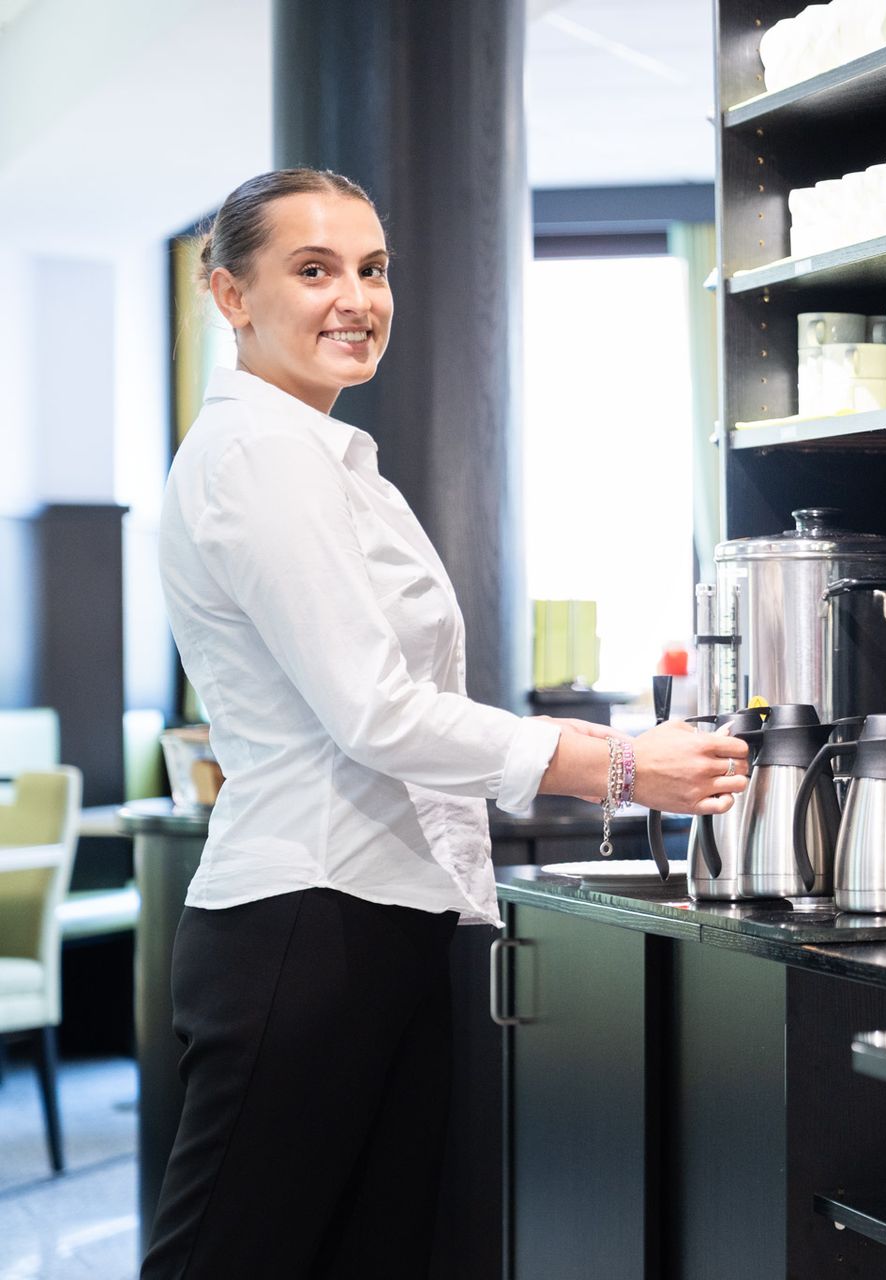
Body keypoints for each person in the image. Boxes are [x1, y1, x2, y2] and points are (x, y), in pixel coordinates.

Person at [140, 167, 748, 1278]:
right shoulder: (261, 454)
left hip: (376, 917)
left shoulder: (326, 459)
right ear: (228, 293)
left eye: (372, 269)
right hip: (305, 924)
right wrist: (617, 764)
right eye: (313, 269)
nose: (357, 298)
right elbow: (377, 709)